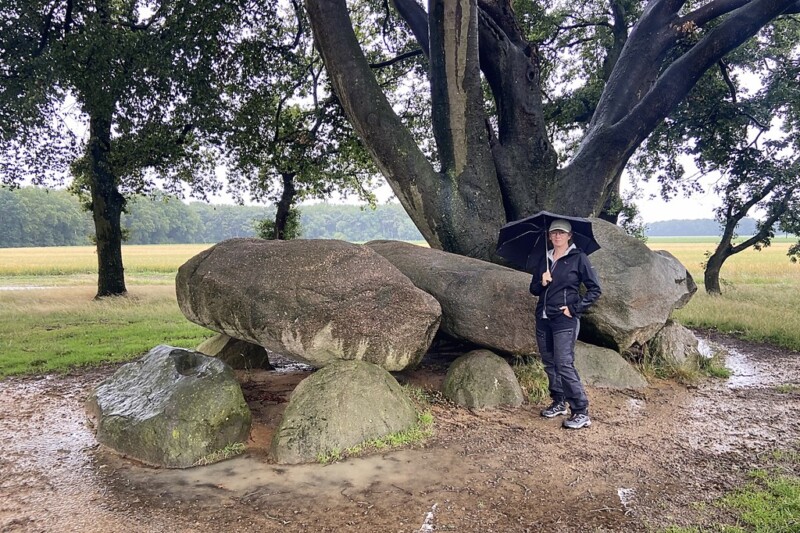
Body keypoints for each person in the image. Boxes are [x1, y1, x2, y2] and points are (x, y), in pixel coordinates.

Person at [529, 219, 602, 429]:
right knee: (549, 363)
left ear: (569, 235)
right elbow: (533, 290)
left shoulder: (578, 258)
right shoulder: (545, 259)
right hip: (543, 318)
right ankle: (559, 402)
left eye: (561, 233)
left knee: (564, 363)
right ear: (549, 236)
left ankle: (580, 411)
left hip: (564, 320)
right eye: (553, 233)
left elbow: (594, 289)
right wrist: (541, 281)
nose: (557, 236)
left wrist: (574, 308)